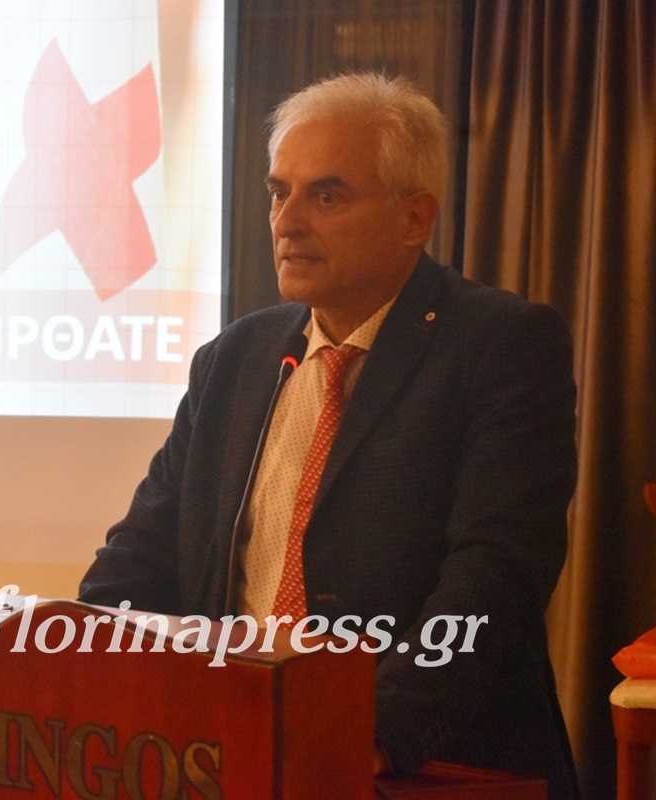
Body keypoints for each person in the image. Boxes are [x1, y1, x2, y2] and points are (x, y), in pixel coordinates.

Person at [78, 72, 579, 798]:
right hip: (230, 750)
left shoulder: (501, 346)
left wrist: (366, 733)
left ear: (414, 219)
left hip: (422, 763)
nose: (286, 222)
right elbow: (139, 556)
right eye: (278, 192)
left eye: (326, 196)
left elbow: (493, 577)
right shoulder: (234, 359)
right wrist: (84, 667)